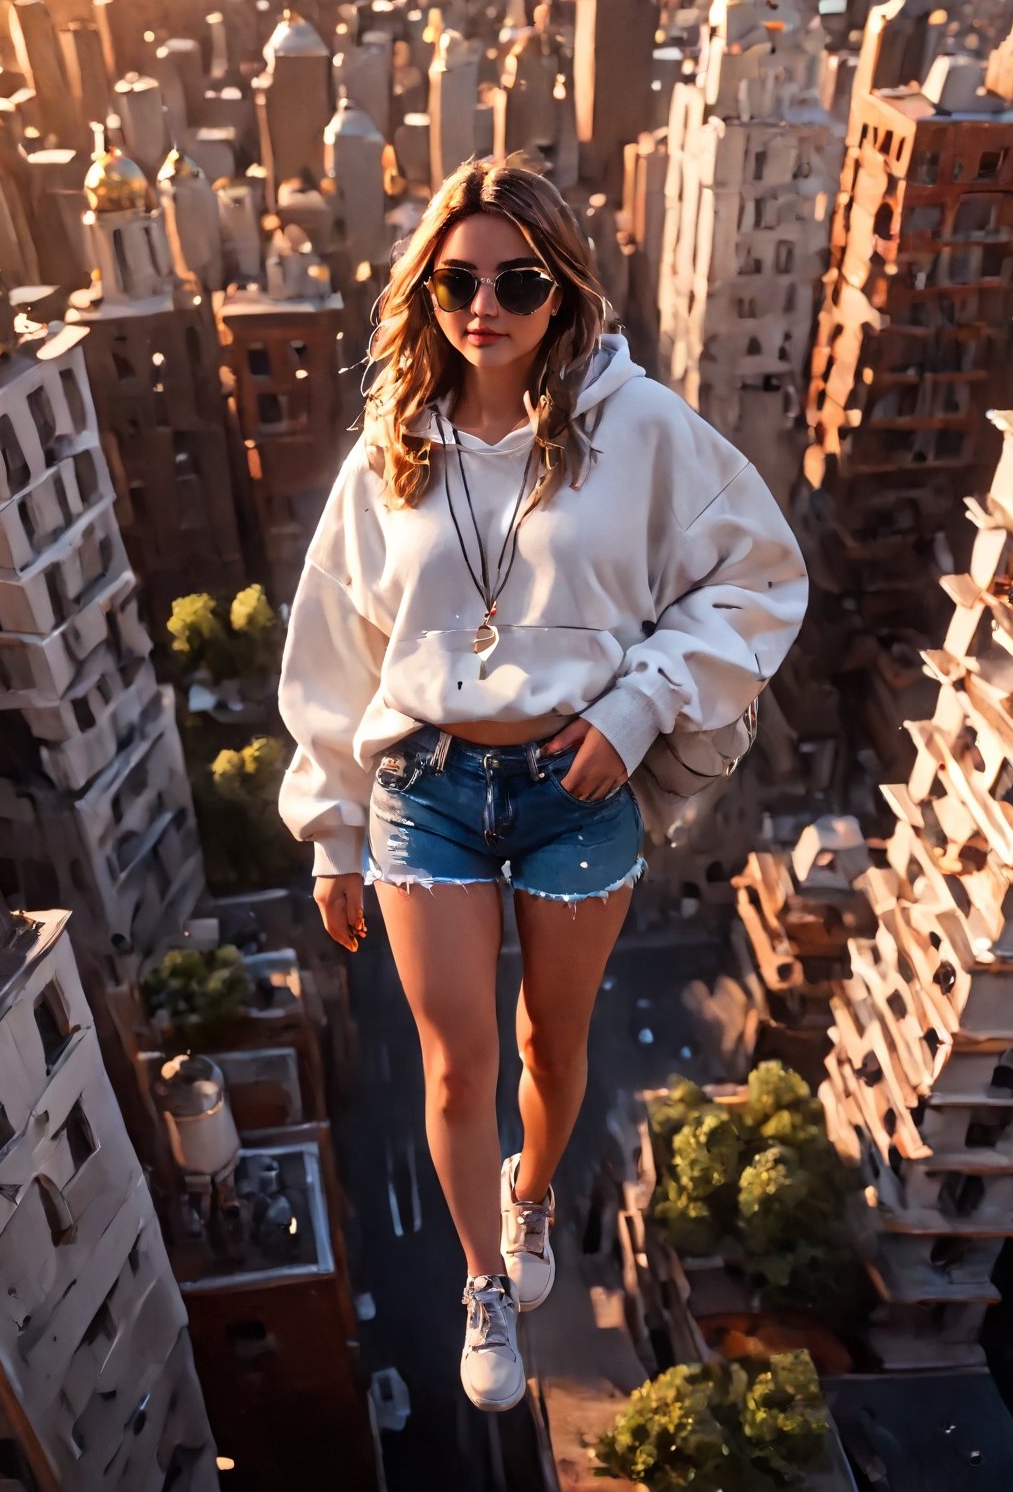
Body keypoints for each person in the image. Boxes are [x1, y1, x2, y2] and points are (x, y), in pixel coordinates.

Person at [277, 160, 808, 1412]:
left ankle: (532, 1196)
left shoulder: (643, 428)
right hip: (430, 785)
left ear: (561, 290)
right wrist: (331, 828)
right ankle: (482, 1282)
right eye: (457, 279)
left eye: (517, 279)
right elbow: (334, 643)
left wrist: (637, 704)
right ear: (428, 292)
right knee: (457, 1067)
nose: (485, 303)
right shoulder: (388, 453)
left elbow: (759, 577)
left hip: (580, 784)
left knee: (548, 1045)